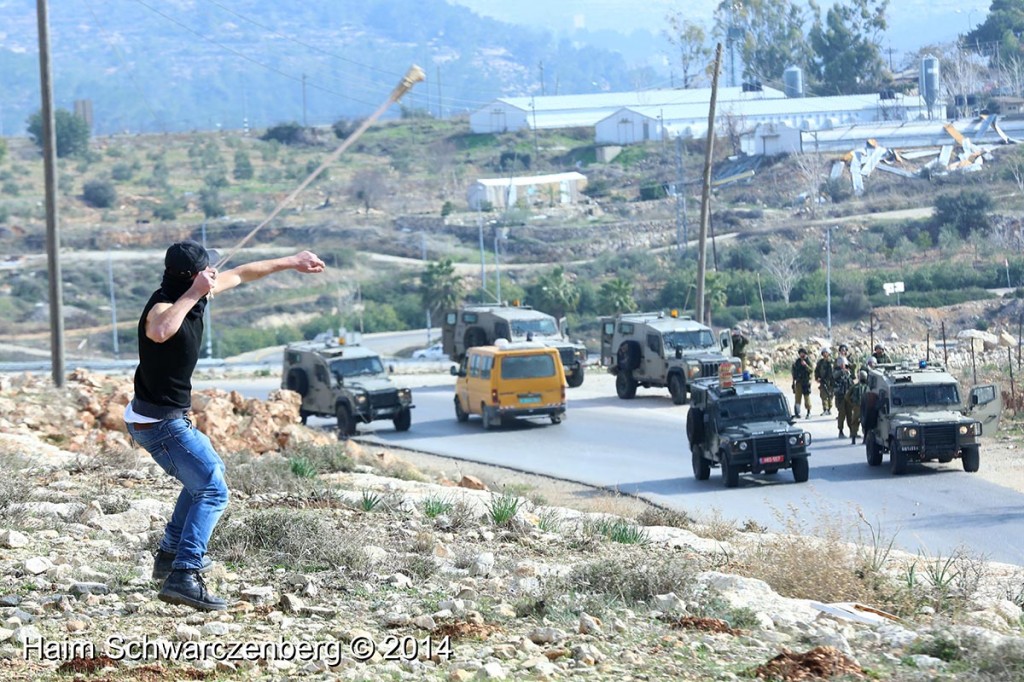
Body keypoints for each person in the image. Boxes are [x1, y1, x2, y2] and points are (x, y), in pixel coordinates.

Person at [124, 240, 325, 611]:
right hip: (158, 423)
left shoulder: (195, 294)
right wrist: (196, 292)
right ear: (190, 277)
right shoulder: (163, 306)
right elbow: (161, 331)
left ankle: (169, 555)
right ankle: (184, 575)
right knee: (213, 489)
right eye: (205, 271)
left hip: (163, 418)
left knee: (204, 479)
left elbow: (244, 273)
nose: (214, 275)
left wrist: (293, 261)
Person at [833, 357, 854, 438]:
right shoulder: (836, 371)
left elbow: (851, 383)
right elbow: (834, 377)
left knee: (850, 414)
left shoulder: (848, 372)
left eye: (844, 364)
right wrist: (842, 371)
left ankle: (852, 431)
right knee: (841, 414)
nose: (843, 365)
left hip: (848, 396)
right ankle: (840, 431)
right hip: (840, 397)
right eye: (841, 363)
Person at [848, 369, 870, 444]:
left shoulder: (854, 386)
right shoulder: (868, 387)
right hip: (866, 408)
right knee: (865, 423)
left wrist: (852, 404)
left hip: (856, 407)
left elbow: (847, 396)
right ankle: (865, 440)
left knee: (854, 423)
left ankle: (853, 439)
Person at [790, 347, 813, 419]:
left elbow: (811, 370)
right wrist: (794, 381)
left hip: (806, 382)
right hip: (799, 382)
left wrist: (805, 365)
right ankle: (797, 412)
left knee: (807, 398)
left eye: (802, 353)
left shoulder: (808, 361)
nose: (801, 354)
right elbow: (794, 371)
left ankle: (808, 412)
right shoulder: (797, 361)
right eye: (800, 353)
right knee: (797, 398)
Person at [814, 348, 835, 416]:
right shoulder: (820, 362)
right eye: (824, 353)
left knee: (830, 395)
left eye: (826, 352)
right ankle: (825, 409)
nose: (825, 354)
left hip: (830, 381)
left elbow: (832, 372)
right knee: (823, 395)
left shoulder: (831, 362)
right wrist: (817, 378)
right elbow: (816, 370)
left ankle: (829, 409)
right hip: (823, 381)